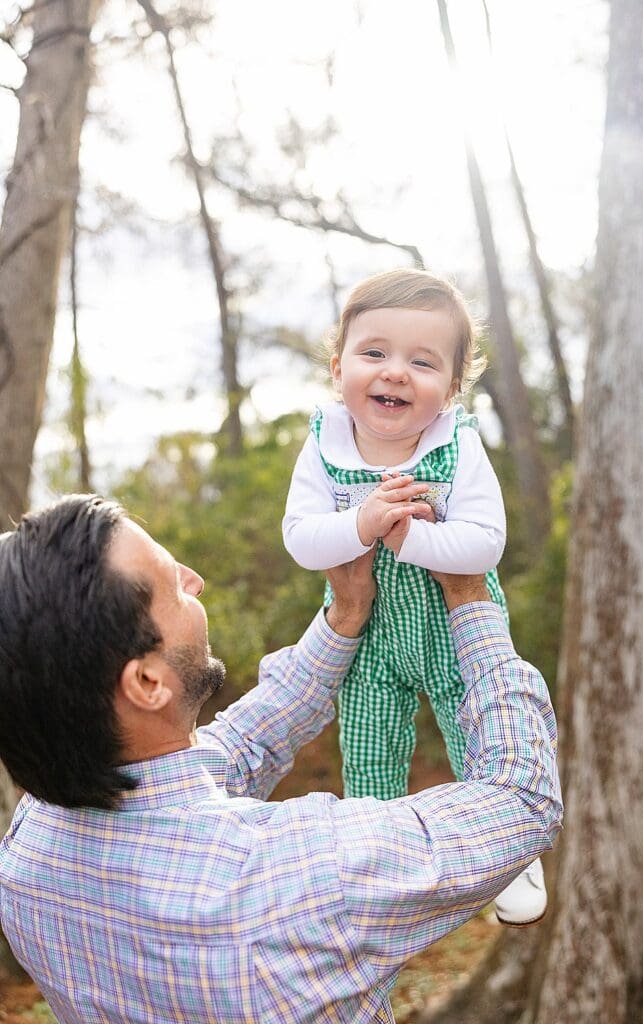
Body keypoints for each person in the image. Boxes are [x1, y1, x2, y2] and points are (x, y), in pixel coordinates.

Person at [0, 495, 561, 1023]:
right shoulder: (304, 875)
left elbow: (240, 747)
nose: (196, 581)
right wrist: (470, 599)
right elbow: (520, 798)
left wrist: (345, 614)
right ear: (147, 682)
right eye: (176, 586)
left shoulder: (26, 859)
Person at [283, 267, 545, 926]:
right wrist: (360, 524)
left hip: (452, 621)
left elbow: (485, 543)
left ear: (452, 387)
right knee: (368, 747)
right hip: (367, 632)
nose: (395, 372)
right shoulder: (323, 446)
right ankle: (372, 867)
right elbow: (302, 539)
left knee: (480, 732)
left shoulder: (456, 447)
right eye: (375, 353)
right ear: (339, 366)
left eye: (421, 362)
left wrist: (407, 545)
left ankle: (510, 856)